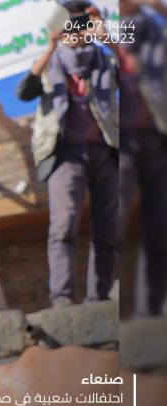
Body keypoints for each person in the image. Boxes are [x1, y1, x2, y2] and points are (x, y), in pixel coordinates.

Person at [16, 0, 119, 307]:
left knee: (107, 229)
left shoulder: (104, 58)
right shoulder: (50, 62)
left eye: (81, 24)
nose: (76, 31)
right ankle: (61, 300)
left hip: (105, 150)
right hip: (65, 154)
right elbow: (24, 92)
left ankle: (98, 299)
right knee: (63, 227)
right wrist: (51, 45)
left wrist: (106, 34)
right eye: (70, 24)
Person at [119, 0, 167, 317]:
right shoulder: (109, 22)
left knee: (158, 228)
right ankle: (103, 299)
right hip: (122, 139)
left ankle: (149, 309)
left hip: (157, 137)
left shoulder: (150, 24)